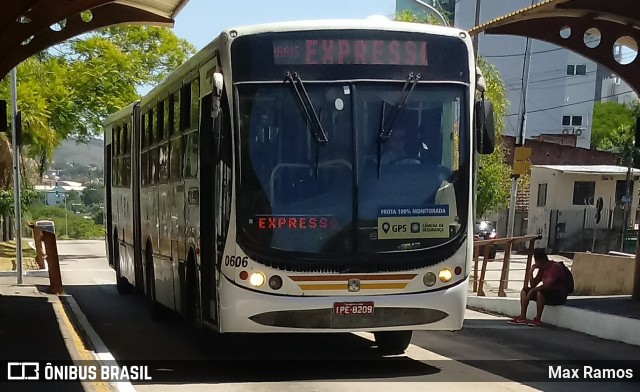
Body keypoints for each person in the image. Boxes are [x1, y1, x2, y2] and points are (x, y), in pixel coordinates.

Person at [508, 248, 567, 327]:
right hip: (548, 293)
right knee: (525, 290)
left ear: (540, 261)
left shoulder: (555, 267)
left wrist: (533, 291)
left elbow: (548, 285)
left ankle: (537, 319)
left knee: (540, 292)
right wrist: (531, 272)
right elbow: (533, 284)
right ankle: (522, 316)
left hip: (558, 295)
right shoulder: (542, 269)